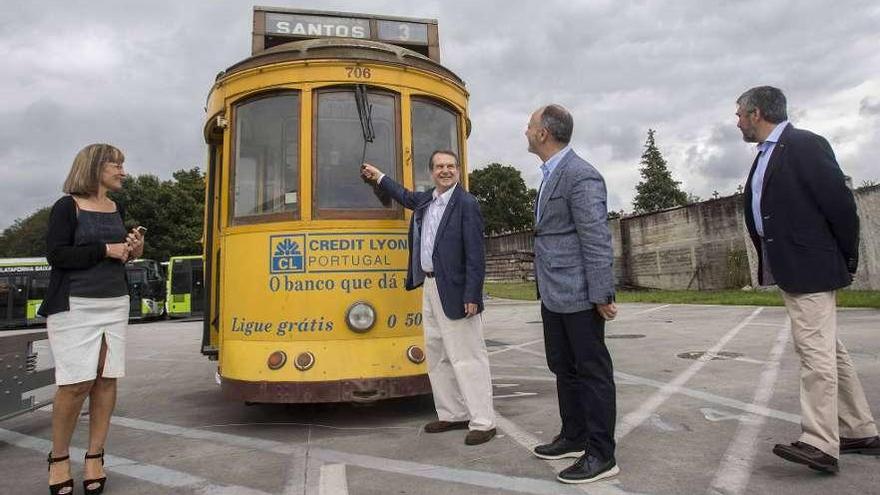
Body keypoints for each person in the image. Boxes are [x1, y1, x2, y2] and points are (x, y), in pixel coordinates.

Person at [737, 86, 879, 474]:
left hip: (811, 265)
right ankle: (859, 429)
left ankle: (820, 443)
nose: (736, 122)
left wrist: (846, 257)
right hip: (794, 266)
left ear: (756, 113)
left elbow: (840, 205)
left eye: (739, 114)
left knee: (814, 354)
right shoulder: (768, 153)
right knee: (827, 349)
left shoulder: (804, 145)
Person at [360, 151, 496, 445]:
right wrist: (379, 176)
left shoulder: (466, 204)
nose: (445, 171)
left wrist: (472, 294)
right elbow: (405, 195)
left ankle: (484, 421)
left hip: (458, 291)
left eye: (450, 166)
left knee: (468, 357)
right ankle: (452, 413)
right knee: (436, 354)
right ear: (431, 172)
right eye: (439, 167)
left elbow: (476, 254)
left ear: (458, 170)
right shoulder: (427, 200)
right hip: (430, 286)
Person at [39, 143, 145, 495]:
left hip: (114, 302)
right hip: (74, 305)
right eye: (116, 165)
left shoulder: (117, 207)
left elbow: (117, 256)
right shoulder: (66, 207)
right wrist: (104, 249)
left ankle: (95, 456)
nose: (123, 172)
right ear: (96, 167)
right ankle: (58, 458)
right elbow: (57, 255)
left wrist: (131, 252)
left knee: (106, 379)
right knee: (74, 385)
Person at [526, 104, 619, 484]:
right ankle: (574, 435)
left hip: (580, 294)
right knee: (563, 367)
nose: (526, 130)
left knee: (592, 371)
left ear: (544, 133)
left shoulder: (580, 176)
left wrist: (601, 293)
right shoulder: (550, 173)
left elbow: (596, 238)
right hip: (553, 292)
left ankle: (601, 454)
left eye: (530, 125)